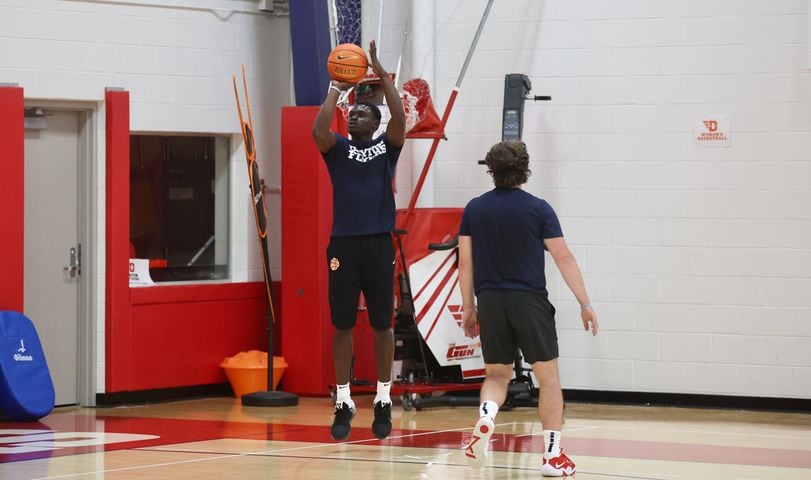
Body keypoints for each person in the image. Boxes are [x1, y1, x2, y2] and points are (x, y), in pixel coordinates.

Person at [458, 140, 599, 476]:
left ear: (491, 170)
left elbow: (465, 261)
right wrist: (585, 303)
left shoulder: (474, 209)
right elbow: (563, 257)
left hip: (490, 300)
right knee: (548, 380)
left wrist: (468, 307)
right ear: (525, 168)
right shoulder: (538, 209)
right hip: (529, 301)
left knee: (496, 374)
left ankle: (487, 416)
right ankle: (552, 456)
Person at [312, 39, 406, 441]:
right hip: (344, 245)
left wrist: (382, 76)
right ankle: (344, 399)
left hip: (378, 244)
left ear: (375, 122)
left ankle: (383, 396)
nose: (353, 116)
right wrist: (336, 88)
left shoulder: (388, 147)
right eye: (351, 113)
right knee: (342, 324)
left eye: (361, 112)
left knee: (383, 323)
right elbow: (318, 130)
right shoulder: (338, 149)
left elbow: (400, 118)